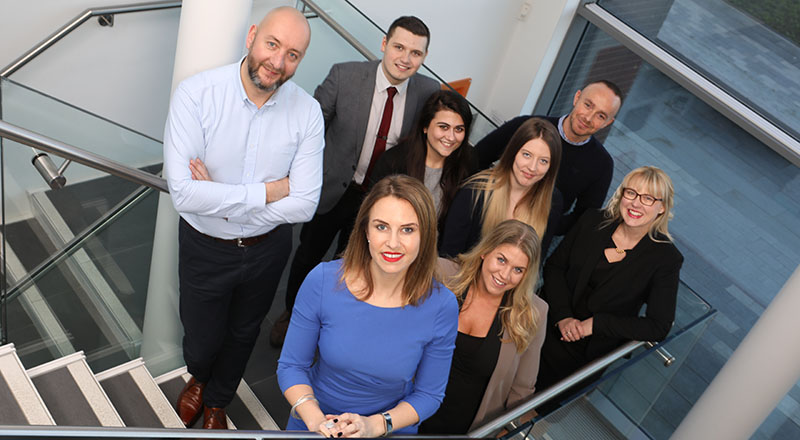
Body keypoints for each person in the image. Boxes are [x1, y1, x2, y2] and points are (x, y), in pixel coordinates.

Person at [163, 7, 323, 429]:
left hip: (267, 248)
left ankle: (217, 400)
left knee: (244, 331)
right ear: (252, 35)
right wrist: (271, 190)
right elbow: (183, 192)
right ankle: (198, 374)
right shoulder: (196, 94)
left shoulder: (307, 113)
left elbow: (305, 203)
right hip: (205, 245)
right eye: (272, 44)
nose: (278, 61)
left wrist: (217, 193)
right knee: (201, 334)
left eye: (292, 54)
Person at [271, 16, 441, 347]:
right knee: (308, 255)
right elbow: (309, 127)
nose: (405, 59)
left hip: (382, 199)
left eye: (416, 54)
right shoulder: (344, 75)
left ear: (424, 58)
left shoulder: (427, 92)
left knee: (353, 263)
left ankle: (330, 323)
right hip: (334, 187)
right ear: (384, 44)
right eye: (399, 47)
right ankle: (291, 314)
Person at [277, 175, 458, 436]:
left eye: (408, 229)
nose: (393, 243)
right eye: (382, 227)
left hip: (389, 426)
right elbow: (292, 366)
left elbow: (429, 394)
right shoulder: (323, 280)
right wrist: (318, 421)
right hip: (315, 421)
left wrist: (374, 425)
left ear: (425, 236)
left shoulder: (442, 306)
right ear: (365, 231)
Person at [536, 166, 683, 393]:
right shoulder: (592, 220)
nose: (636, 203)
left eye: (648, 198)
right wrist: (563, 317)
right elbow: (554, 267)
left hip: (584, 355)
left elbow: (658, 325)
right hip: (542, 324)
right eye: (631, 193)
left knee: (532, 412)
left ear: (662, 207)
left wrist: (594, 325)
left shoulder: (666, 259)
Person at [419, 220, 548, 434]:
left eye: (518, 270)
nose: (505, 275)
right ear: (485, 251)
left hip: (464, 430)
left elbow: (522, 390)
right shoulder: (441, 273)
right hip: (405, 411)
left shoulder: (532, 313)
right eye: (501, 260)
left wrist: (509, 431)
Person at [474, 80, 623, 235]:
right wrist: (485, 200)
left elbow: (583, 219)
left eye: (600, 115)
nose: (588, 118)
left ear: (608, 122)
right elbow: (476, 158)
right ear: (576, 97)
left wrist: (543, 226)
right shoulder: (526, 125)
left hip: (530, 238)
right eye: (588, 105)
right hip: (486, 214)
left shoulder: (602, 164)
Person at [440, 117, 562, 259]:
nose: (532, 167)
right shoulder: (474, 190)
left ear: (551, 167)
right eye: (527, 155)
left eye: (543, 161)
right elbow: (448, 255)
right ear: (513, 152)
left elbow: (535, 263)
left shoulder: (552, 201)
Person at [370, 89, 479, 228]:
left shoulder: (468, 163)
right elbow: (373, 214)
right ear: (425, 127)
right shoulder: (393, 161)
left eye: (459, 129)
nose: (451, 137)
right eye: (443, 127)